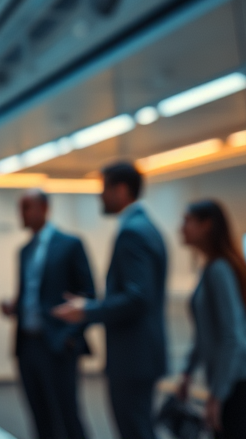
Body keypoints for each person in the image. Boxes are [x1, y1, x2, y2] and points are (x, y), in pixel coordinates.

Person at [53, 162, 167, 439]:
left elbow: (137, 298)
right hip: (140, 356)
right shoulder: (145, 226)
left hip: (132, 357)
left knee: (135, 430)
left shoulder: (132, 232)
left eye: (103, 189)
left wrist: (87, 310)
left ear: (122, 190)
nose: (99, 197)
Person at [0, 190, 95, 439]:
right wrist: (14, 307)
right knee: (39, 416)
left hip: (57, 345)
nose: (21, 214)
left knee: (67, 415)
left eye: (26, 207)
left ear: (43, 208)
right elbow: (28, 294)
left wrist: (70, 337)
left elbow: (88, 296)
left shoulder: (70, 245)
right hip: (27, 344)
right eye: (20, 208)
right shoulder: (24, 250)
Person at [176, 200, 246, 439]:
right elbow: (204, 333)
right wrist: (187, 372)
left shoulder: (219, 269)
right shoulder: (212, 268)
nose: (181, 228)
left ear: (206, 225)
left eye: (187, 221)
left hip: (243, 377)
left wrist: (217, 395)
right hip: (238, 377)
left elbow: (232, 337)